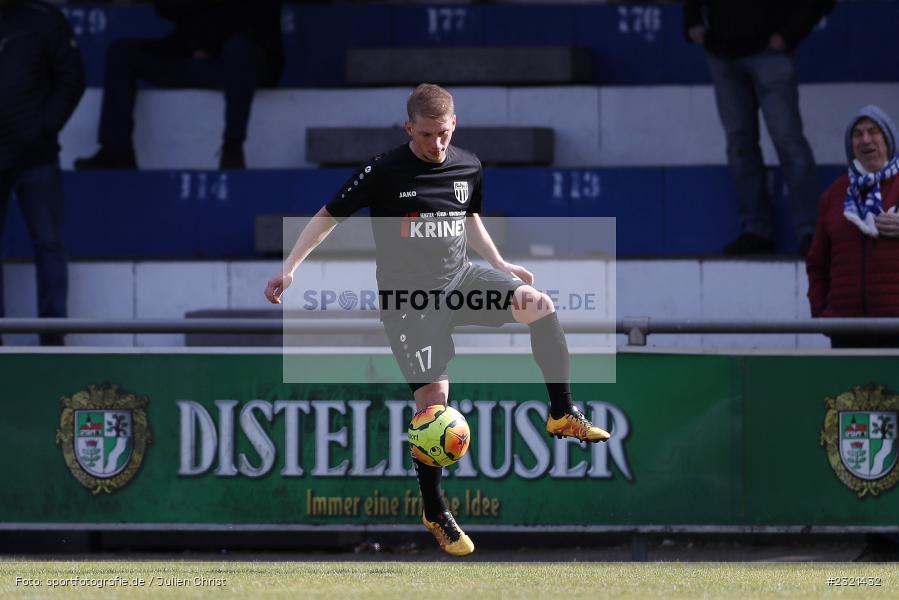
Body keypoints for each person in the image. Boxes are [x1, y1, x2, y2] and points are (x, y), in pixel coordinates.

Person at [264, 84, 610, 557]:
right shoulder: (383, 170)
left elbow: (469, 217)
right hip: (411, 300)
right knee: (434, 406)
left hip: (462, 279)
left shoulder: (468, 165)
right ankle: (434, 508)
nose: (437, 144)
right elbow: (330, 215)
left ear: (454, 126)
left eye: (444, 134)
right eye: (427, 134)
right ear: (410, 128)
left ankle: (562, 414)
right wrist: (291, 266)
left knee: (540, 305)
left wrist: (502, 264)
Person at [684, 0, 834, 256]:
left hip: (769, 52)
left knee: (788, 141)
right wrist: (692, 21)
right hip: (722, 52)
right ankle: (756, 230)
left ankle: (811, 232)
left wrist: (788, 34)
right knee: (739, 144)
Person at [74, 0, 283, 171]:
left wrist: (211, 42)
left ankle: (233, 146)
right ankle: (116, 149)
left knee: (239, 49)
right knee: (122, 52)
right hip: (193, 54)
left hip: (243, 62)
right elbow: (167, 8)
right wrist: (200, 42)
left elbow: (252, 16)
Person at [0, 0, 85, 345]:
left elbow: (72, 78)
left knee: (48, 245)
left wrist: (43, 128)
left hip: (37, 157)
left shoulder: (44, 18)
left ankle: (52, 338)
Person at [806, 105, 899, 348]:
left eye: (873, 131)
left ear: (889, 139)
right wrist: (822, 313)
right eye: (857, 134)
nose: (865, 140)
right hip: (846, 329)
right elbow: (817, 263)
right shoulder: (835, 194)